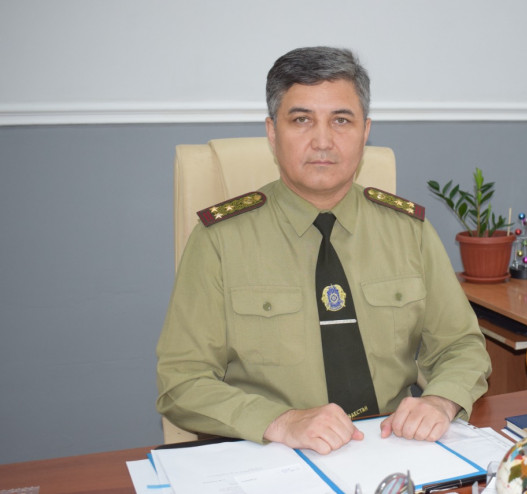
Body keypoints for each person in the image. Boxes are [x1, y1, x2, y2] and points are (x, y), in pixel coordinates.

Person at [156, 46, 491, 455]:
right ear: (272, 132)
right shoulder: (219, 241)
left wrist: (440, 400)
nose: (322, 141)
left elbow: (461, 345)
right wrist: (280, 422)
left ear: (365, 132)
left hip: (392, 446)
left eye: (341, 120)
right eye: (301, 120)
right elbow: (182, 381)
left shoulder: (409, 232)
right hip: (273, 453)